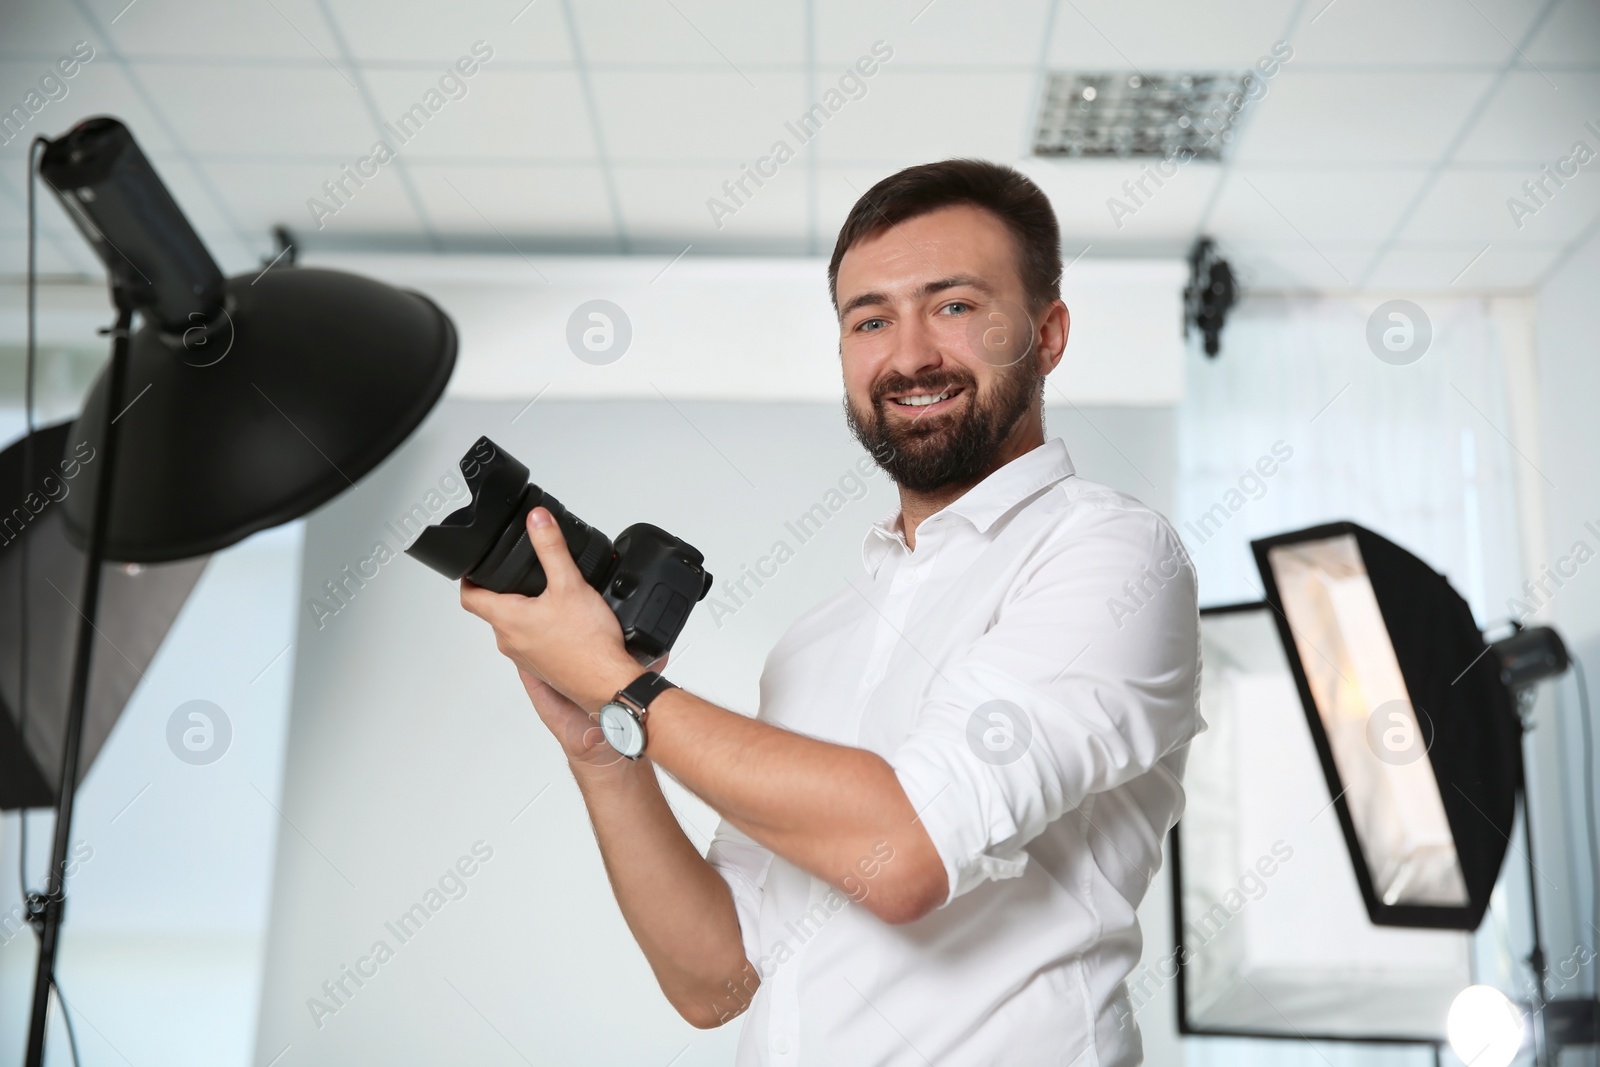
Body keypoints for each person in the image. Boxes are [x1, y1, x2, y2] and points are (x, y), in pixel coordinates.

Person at [461, 158, 1202, 1066]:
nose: (910, 352)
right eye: (871, 319)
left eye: (956, 305)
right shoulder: (818, 642)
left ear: (1047, 335)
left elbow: (905, 851)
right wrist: (600, 740)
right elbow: (717, 980)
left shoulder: (1108, 555)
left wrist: (624, 686)